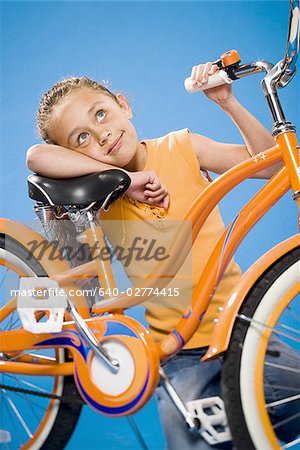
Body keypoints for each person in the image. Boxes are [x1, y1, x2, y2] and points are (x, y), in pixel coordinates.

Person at [26, 63, 294, 449]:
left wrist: (227, 102)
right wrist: (126, 182)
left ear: (124, 105)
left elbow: (272, 164)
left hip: (247, 328)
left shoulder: (182, 148)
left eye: (101, 113)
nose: (101, 134)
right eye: (81, 138)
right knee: (190, 437)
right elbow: (37, 157)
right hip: (180, 353)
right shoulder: (102, 196)